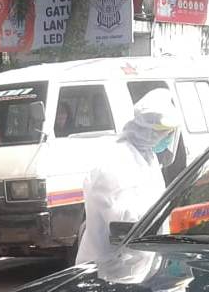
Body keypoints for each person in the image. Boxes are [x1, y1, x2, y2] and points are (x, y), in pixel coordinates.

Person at [75, 88, 180, 264]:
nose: (169, 139)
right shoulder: (116, 163)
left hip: (138, 264)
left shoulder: (147, 156)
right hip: (108, 268)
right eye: (167, 133)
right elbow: (126, 225)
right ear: (151, 131)